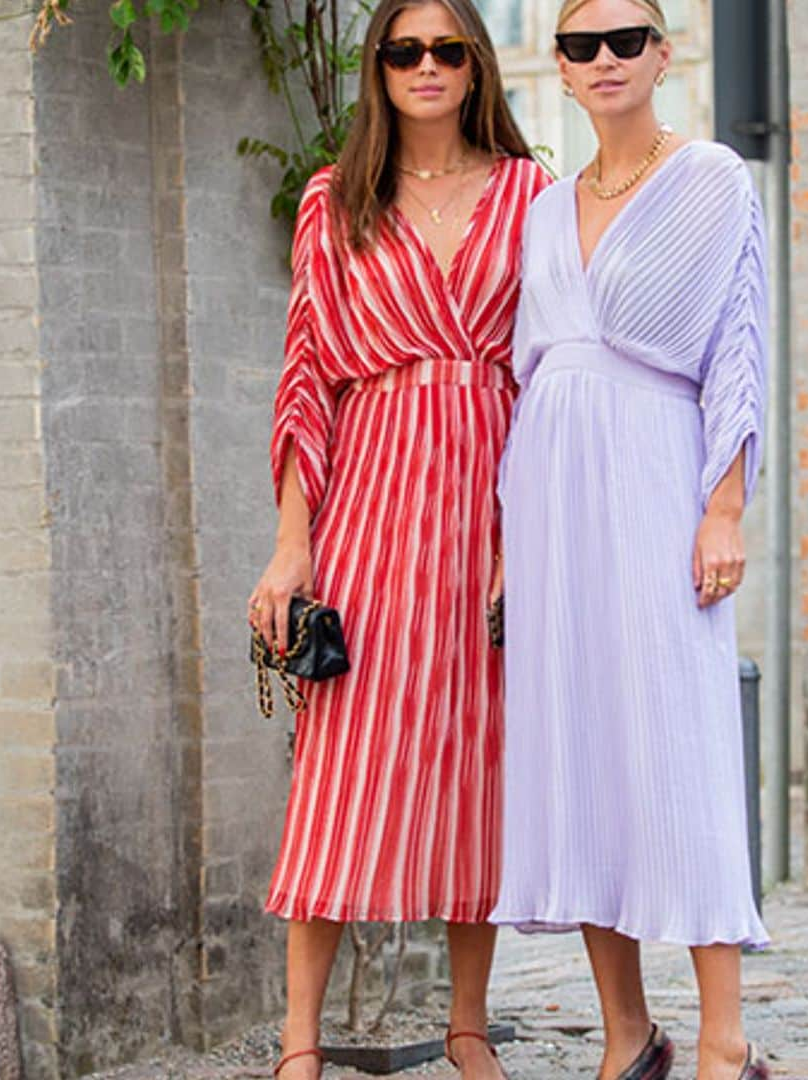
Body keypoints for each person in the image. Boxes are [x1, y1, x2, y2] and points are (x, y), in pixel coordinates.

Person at [245, 1, 548, 1076]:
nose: (427, 66)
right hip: (371, 503)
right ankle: (299, 1042)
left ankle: (468, 1027)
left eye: (448, 49)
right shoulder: (336, 203)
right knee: (341, 764)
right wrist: (293, 548)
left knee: (480, 759)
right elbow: (305, 385)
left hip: (491, 505)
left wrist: (535, 532)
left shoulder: (529, 195)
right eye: (405, 50)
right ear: (378, 68)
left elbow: (549, 371)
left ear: (476, 68)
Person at [488, 0, 771, 1077]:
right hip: (551, 497)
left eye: (623, 40)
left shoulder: (709, 179)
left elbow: (737, 346)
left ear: (663, 54)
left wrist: (723, 506)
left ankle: (725, 1038)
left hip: (659, 479)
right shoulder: (545, 213)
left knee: (679, 742)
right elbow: (524, 377)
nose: (602, 60)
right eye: (578, 45)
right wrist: (510, 540)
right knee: (582, 755)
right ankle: (625, 1035)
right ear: (557, 71)